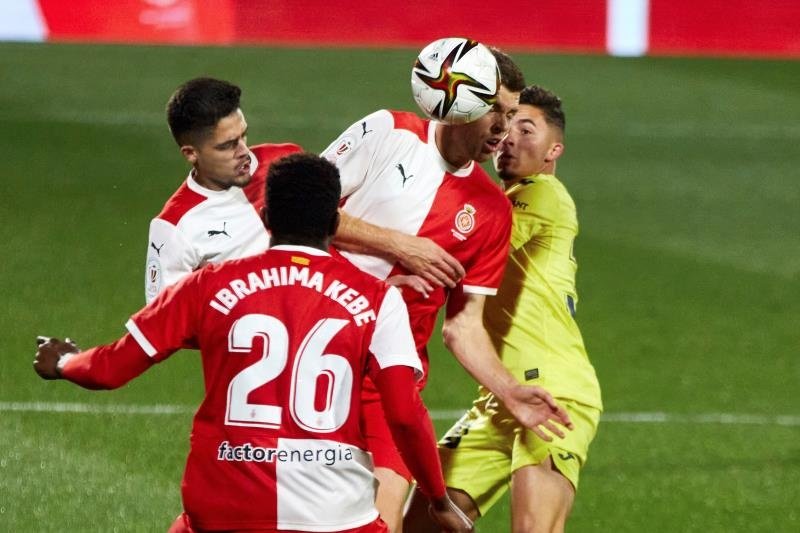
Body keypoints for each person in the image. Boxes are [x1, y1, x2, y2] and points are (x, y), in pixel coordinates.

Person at [34, 153, 474, 533]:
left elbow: (110, 368)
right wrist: (437, 499)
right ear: (334, 222)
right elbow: (404, 413)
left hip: (224, 508)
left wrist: (65, 361)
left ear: (264, 217)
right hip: (334, 515)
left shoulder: (206, 286)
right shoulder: (378, 299)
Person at [321, 47, 573, 532]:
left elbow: (463, 325)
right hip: (318, 357)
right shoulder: (387, 132)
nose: (503, 127)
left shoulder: (491, 210)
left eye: (512, 113)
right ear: (459, 100)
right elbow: (294, 210)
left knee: (380, 523)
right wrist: (401, 245)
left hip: (390, 381)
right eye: (495, 109)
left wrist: (511, 392)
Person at [404, 85, 603, 533]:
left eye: (526, 128)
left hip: (555, 393)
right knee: (419, 523)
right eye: (507, 124)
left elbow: (466, 245)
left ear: (555, 150)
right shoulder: (494, 202)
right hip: (499, 397)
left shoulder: (543, 195)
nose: (510, 136)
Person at [144, 77, 302, 302]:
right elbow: (162, 323)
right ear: (191, 153)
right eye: (227, 145)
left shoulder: (287, 162)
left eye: (243, 135)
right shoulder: (174, 227)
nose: (244, 151)